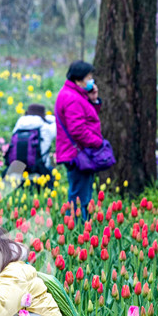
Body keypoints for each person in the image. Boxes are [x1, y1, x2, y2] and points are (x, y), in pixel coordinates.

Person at [55, 60, 103, 221]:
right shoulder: (72, 98)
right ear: (79, 79)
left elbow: (87, 119)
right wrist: (98, 142)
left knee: (83, 195)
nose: (91, 81)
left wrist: (93, 100)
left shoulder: (75, 94)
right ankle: (76, 231)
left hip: (77, 152)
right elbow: (77, 130)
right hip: (76, 154)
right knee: (79, 197)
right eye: (89, 77)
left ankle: (81, 229)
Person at [8, 103, 56, 185]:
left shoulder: (18, 125)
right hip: (40, 170)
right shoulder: (46, 128)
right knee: (53, 172)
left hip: (16, 169)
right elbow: (57, 122)